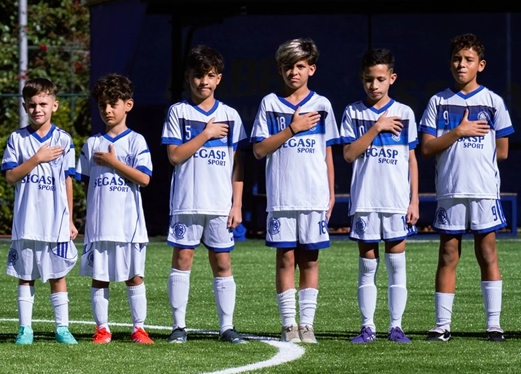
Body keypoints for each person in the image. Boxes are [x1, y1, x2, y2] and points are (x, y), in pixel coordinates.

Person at [419, 33, 513, 342]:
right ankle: (441, 325)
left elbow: (502, 150)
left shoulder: (493, 101)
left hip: (484, 189)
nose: (462, 65)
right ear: (450, 63)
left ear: (480, 65)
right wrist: (459, 132)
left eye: (468, 60)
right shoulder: (438, 101)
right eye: (457, 59)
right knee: (448, 253)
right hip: (450, 190)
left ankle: (494, 325)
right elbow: (428, 148)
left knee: (487, 252)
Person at [251, 38, 339, 344]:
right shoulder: (270, 104)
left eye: (300, 66)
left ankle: (307, 324)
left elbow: (327, 153)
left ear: (311, 69)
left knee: (310, 260)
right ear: (280, 69)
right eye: (288, 66)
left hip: (313, 195)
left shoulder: (322, 105)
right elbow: (259, 150)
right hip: (282, 197)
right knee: (285, 258)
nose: (294, 72)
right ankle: (289, 324)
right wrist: (291, 128)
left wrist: (331, 193)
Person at [162, 46, 247, 345]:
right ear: (188, 77)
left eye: (210, 76)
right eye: (198, 75)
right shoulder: (179, 112)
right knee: (182, 258)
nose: (204, 82)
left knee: (222, 262)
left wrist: (237, 204)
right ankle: (178, 327)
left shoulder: (231, 115)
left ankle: (227, 327)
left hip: (220, 203)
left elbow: (238, 164)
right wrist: (206, 134)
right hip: (187, 201)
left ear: (219, 78)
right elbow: (174, 156)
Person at [340, 49, 419, 344]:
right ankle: (368, 326)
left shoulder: (405, 113)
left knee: (396, 263)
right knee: (368, 263)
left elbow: (411, 160)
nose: (374, 85)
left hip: (395, 200)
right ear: (362, 79)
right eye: (369, 79)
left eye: (380, 79)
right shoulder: (353, 112)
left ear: (392, 79)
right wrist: (376, 127)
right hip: (366, 200)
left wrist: (413, 201)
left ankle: (396, 326)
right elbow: (348, 154)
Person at [77, 74, 154, 344]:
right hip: (100, 225)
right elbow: (87, 184)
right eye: (102, 106)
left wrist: (113, 162)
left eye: (113, 104)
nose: (107, 110)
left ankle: (139, 328)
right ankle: (102, 329)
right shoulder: (91, 144)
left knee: (134, 277)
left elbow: (144, 178)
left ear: (128, 105)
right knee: (100, 278)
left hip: (129, 223)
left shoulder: (136, 141)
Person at [2, 77, 78, 345]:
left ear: (54, 105)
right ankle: (25, 329)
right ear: (25, 107)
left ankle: (62, 328)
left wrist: (69, 218)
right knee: (26, 275)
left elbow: (67, 179)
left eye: (43, 104)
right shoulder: (17, 139)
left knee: (58, 275)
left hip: (55, 220)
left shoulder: (64, 139)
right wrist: (36, 159)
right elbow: (11, 177)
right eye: (32, 105)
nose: (38, 109)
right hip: (27, 220)